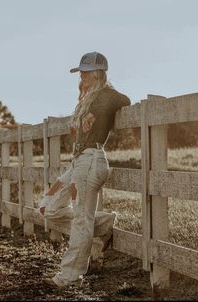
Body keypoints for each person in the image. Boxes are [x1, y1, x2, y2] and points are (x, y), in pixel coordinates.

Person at [39, 51, 131, 288]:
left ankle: (70, 276)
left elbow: (125, 100)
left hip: (91, 160)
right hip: (79, 162)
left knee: (81, 220)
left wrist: (100, 107)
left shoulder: (106, 95)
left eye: (86, 71)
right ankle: (104, 223)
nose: (81, 75)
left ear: (98, 73)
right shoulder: (85, 99)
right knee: (48, 207)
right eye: (81, 71)